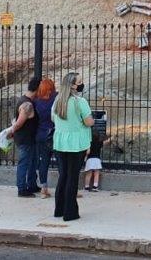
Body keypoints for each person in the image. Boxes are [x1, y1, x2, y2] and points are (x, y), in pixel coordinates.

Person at [52, 72, 93, 221]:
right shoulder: (79, 101)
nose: (82, 84)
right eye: (79, 82)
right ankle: (70, 212)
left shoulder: (57, 101)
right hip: (77, 143)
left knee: (63, 175)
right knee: (72, 177)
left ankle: (59, 209)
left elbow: (53, 118)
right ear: (73, 86)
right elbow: (88, 122)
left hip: (60, 142)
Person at [10, 77, 40, 198]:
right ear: (37, 89)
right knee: (24, 163)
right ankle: (22, 188)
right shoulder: (27, 104)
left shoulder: (24, 100)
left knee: (32, 162)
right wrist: (11, 131)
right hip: (25, 139)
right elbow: (19, 123)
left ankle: (32, 184)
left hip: (29, 138)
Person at [33, 76, 57, 198]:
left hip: (41, 134)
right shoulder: (56, 98)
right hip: (54, 133)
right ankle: (65, 187)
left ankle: (43, 188)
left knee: (44, 162)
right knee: (62, 161)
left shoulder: (36, 101)